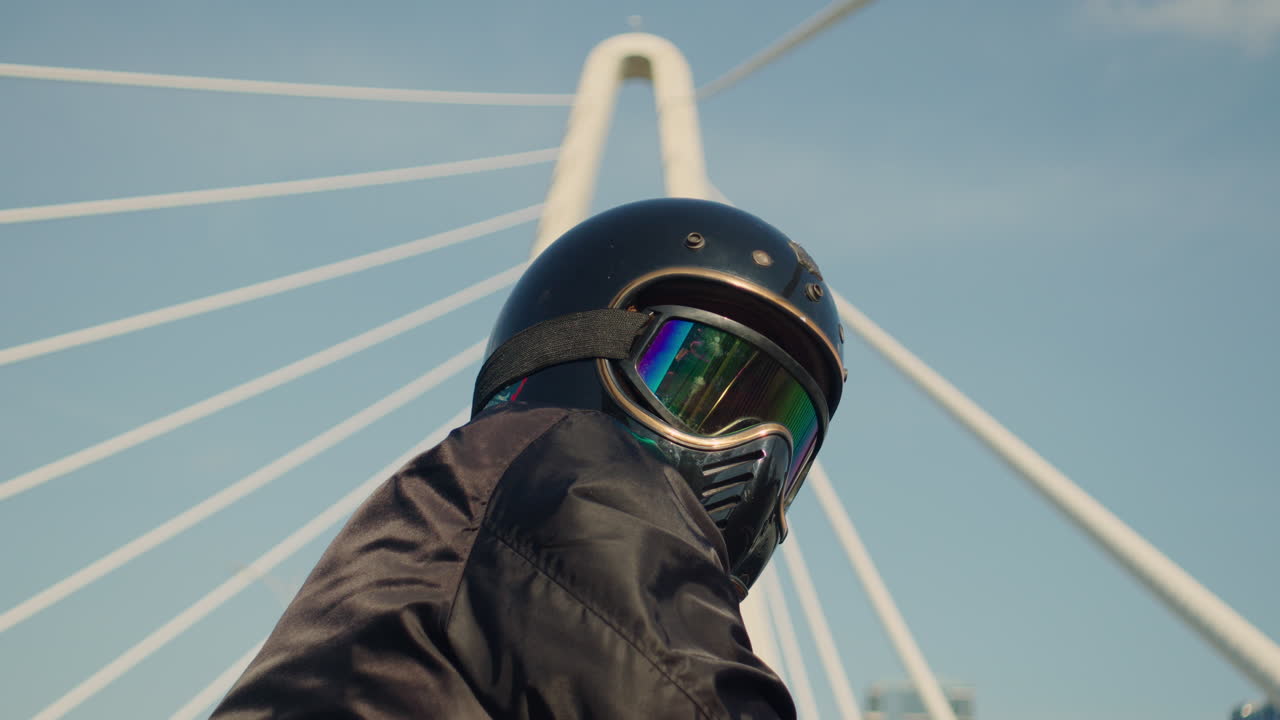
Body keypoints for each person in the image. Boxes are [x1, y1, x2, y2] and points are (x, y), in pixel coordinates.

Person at [211, 198, 847, 719]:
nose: (759, 460)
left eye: (788, 434)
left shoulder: (463, 494)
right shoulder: (566, 467)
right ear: (574, 349)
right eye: (693, 384)